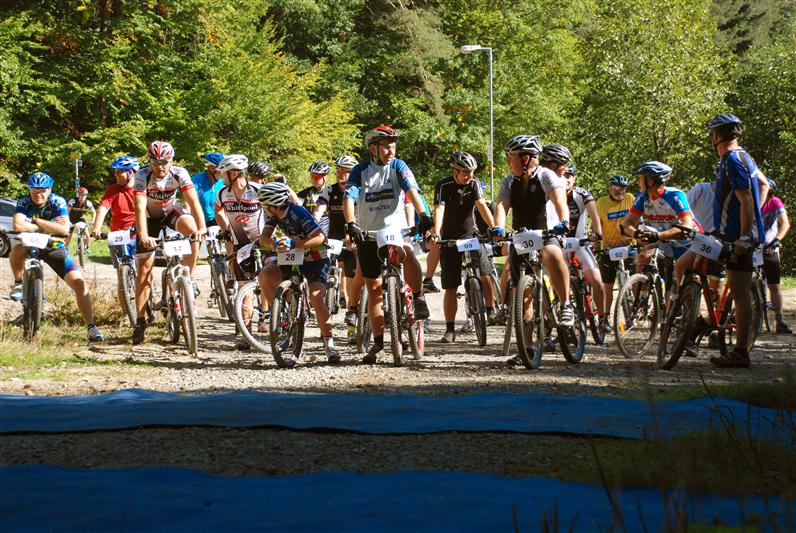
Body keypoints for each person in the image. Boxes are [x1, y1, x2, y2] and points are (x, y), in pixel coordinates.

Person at [343, 125, 432, 364]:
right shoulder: (360, 170)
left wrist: (423, 214)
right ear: (373, 149)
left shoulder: (398, 166)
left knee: (408, 253)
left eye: (393, 146)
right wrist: (350, 223)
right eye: (386, 147)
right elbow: (349, 198)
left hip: (395, 229)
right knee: (373, 288)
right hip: (369, 233)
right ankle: (379, 342)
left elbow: (411, 190)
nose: (391, 151)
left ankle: (418, 296)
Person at [494, 137, 572, 366]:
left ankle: (566, 305)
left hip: (547, 231)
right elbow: (502, 205)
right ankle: (526, 348)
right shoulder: (509, 181)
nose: (508, 161)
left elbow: (559, 200)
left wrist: (564, 221)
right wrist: (498, 227)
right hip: (522, 236)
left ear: (525, 158)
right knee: (523, 293)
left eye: (511, 157)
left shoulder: (546, 175)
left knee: (552, 254)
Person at [9, 172, 105, 341]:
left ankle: (91, 327)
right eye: (34, 190)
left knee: (79, 284)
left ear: (50, 190)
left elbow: (63, 229)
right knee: (17, 250)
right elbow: (17, 225)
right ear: (29, 190)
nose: (38, 194)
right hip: (30, 243)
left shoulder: (58, 201)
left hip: (53, 245)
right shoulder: (24, 201)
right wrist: (49, 226)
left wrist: (36, 222)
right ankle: (18, 283)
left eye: (42, 190)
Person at [131, 140, 207, 345]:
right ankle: (140, 321)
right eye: (155, 162)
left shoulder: (179, 173)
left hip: (170, 213)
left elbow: (193, 201)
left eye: (164, 162)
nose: (160, 167)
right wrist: (144, 236)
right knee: (144, 270)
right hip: (148, 219)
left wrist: (202, 228)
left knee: (192, 229)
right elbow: (139, 208)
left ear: (171, 161)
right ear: (149, 162)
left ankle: (188, 277)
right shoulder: (141, 175)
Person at [706, 113, 766, 367]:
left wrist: (745, 235)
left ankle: (741, 352)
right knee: (693, 261)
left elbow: (747, 198)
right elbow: (763, 185)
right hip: (726, 234)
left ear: (717, 136)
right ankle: (702, 322)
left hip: (736, 238)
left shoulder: (732, 159)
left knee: (740, 295)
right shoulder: (743, 157)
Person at [257, 182, 339, 365]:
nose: (264, 209)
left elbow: (320, 238)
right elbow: (264, 238)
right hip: (294, 256)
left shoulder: (298, 213)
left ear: (273, 205)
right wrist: (274, 245)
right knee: (265, 276)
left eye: (264, 206)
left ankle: (329, 345)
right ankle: (281, 316)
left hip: (315, 257)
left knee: (316, 296)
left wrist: (295, 244)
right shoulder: (275, 215)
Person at [428, 150, 499, 342]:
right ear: (455, 171)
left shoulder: (474, 184)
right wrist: (436, 232)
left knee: (486, 273)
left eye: (472, 172)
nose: (470, 176)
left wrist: (494, 228)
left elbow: (482, 206)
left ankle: (490, 310)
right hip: (450, 239)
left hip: (470, 236)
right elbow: (439, 209)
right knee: (451, 287)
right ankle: (450, 329)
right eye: (466, 173)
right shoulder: (443, 185)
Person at [213, 154, 271, 349]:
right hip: (240, 246)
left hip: (262, 243)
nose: (221, 177)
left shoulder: (257, 190)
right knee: (245, 288)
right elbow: (218, 211)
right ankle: (247, 335)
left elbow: (274, 210)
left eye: (223, 173)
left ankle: (274, 318)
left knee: (268, 282)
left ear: (233, 174)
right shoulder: (223, 193)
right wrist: (225, 229)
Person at [551, 163, 609, 332]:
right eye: (563, 175)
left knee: (597, 280)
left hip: (578, 243)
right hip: (558, 244)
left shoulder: (581, 194)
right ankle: (554, 324)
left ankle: (603, 317)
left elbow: (593, 213)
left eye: (569, 176)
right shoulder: (550, 193)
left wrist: (597, 233)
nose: (566, 179)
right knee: (555, 284)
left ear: (574, 179)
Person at [316, 155, 363, 342]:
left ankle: (352, 328)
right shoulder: (329, 190)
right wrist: (312, 227)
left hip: (353, 238)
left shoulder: (360, 190)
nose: (340, 173)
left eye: (345, 171)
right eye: (338, 170)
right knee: (321, 277)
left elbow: (361, 215)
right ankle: (324, 328)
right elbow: (318, 210)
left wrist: (356, 234)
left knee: (352, 280)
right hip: (333, 239)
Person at [91, 156, 140, 310]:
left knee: (142, 272)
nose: (116, 175)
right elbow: (103, 208)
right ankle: (126, 313)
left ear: (131, 173)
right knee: (121, 276)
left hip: (137, 233)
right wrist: (97, 228)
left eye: (120, 172)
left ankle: (145, 306)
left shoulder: (140, 188)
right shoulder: (113, 189)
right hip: (117, 235)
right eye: (115, 172)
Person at [595, 175, 636, 318]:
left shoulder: (630, 198)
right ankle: (606, 316)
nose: (620, 191)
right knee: (607, 286)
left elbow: (637, 219)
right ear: (610, 188)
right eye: (617, 188)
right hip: (608, 248)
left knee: (636, 277)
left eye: (623, 188)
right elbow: (597, 225)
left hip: (629, 246)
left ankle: (637, 305)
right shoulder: (601, 202)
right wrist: (595, 241)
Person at [759, 180, 791, 334]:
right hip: (752, 246)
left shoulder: (775, 202)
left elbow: (785, 223)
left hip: (769, 247)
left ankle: (779, 319)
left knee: (774, 285)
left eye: (770, 193)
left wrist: (777, 240)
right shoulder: (750, 200)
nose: (768, 196)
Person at [191, 152, 225, 229]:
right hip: (199, 223)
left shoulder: (223, 183)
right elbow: (189, 202)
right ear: (212, 168)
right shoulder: (197, 180)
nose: (223, 173)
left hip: (217, 222)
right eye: (222, 170)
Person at [298, 161, 331, 235]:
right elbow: (296, 204)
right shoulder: (306, 193)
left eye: (317, 177)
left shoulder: (331, 193)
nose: (314, 179)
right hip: (308, 230)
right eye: (312, 176)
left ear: (325, 177)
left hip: (326, 232)